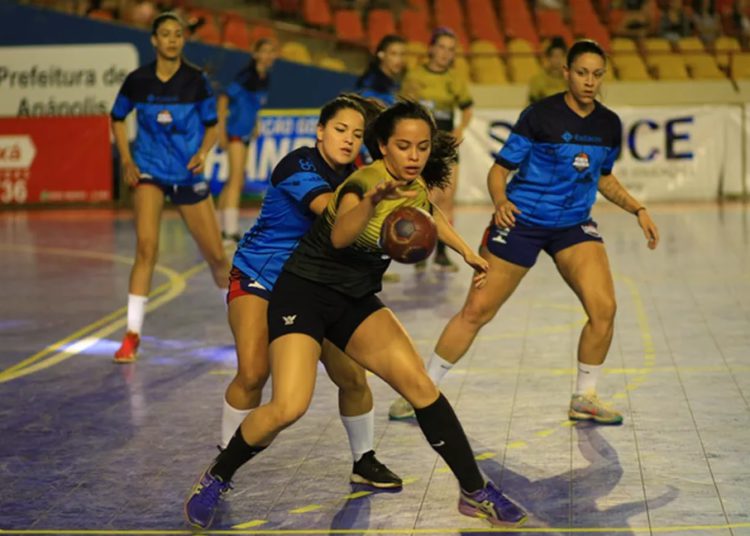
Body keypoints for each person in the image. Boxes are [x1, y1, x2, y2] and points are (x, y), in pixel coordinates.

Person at [184, 101, 527, 530]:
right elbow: (342, 233)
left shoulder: (411, 183)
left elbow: (429, 213)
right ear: (383, 146)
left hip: (355, 298)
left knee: (418, 385)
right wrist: (373, 202)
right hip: (302, 293)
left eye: (422, 147)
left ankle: (474, 491)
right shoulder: (359, 184)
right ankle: (218, 474)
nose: (415, 155)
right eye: (404, 146)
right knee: (289, 404)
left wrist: (467, 252)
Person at [388, 40, 660, 424]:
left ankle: (584, 397)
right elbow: (499, 170)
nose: (589, 81)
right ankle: (423, 390)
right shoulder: (540, 116)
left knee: (605, 310)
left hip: (573, 226)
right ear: (566, 72)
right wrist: (500, 201)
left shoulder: (607, 124)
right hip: (522, 222)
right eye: (581, 72)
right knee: (476, 311)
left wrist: (638, 208)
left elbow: (604, 177)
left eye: (597, 74)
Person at [220, 94, 401, 490]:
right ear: (320, 132)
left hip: (312, 286)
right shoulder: (299, 163)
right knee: (253, 373)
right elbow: (331, 211)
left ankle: (363, 460)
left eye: (357, 134)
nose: (348, 140)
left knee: (353, 377)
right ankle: (224, 461)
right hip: (260, 277)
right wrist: (381, 206)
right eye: (339, 130)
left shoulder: (358, 178)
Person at [111, 12, 230, 363]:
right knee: (146, 249)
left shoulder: (196, 81)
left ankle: (243, 323)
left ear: (183, 40)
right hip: (148, 170)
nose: (172, 39)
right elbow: (117, 117)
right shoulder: (137, 80)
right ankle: (132, 334)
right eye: (165, 34)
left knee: (218, 258)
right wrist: (127, 160)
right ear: (154, 40)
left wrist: (204, 152)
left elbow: (211, 126)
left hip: (187, 174)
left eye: (178, 34)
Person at [401, 27, 473, 272]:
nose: (445, 53)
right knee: (425, 198)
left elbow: (467, 108)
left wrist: (460, 129)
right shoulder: (414, 76)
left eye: (450, 49)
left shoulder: (455, 79)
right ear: (431, 48)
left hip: (447, 145)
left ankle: (442, 254)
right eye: (441, 47)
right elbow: (403, 109)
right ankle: (420, 250)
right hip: (422, 145)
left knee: (447, 199)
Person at [216, 39, 276, 244]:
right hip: (235, 133)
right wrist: (221, 130)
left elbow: (255, 105)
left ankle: (219, 227)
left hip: (246, 134)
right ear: (255, 54)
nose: (268, 56)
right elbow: (223, 98)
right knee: (235, 180)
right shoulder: (245, 76)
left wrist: (256, 122)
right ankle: (229, 232)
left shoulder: (264, 78)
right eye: (264, 51)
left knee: (234, 179)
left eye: (271, 52)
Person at [354, 34, 406, 106]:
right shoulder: (370, 82)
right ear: (381, 55)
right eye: (393, 54)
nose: (399, 60)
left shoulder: (394, 84)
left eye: (402, 54)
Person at [527, 37, 567, 104]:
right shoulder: (537, 80)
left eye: (561, 56)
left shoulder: (571, 80)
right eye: (555, 56)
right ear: (548, 58)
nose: (558, 60)